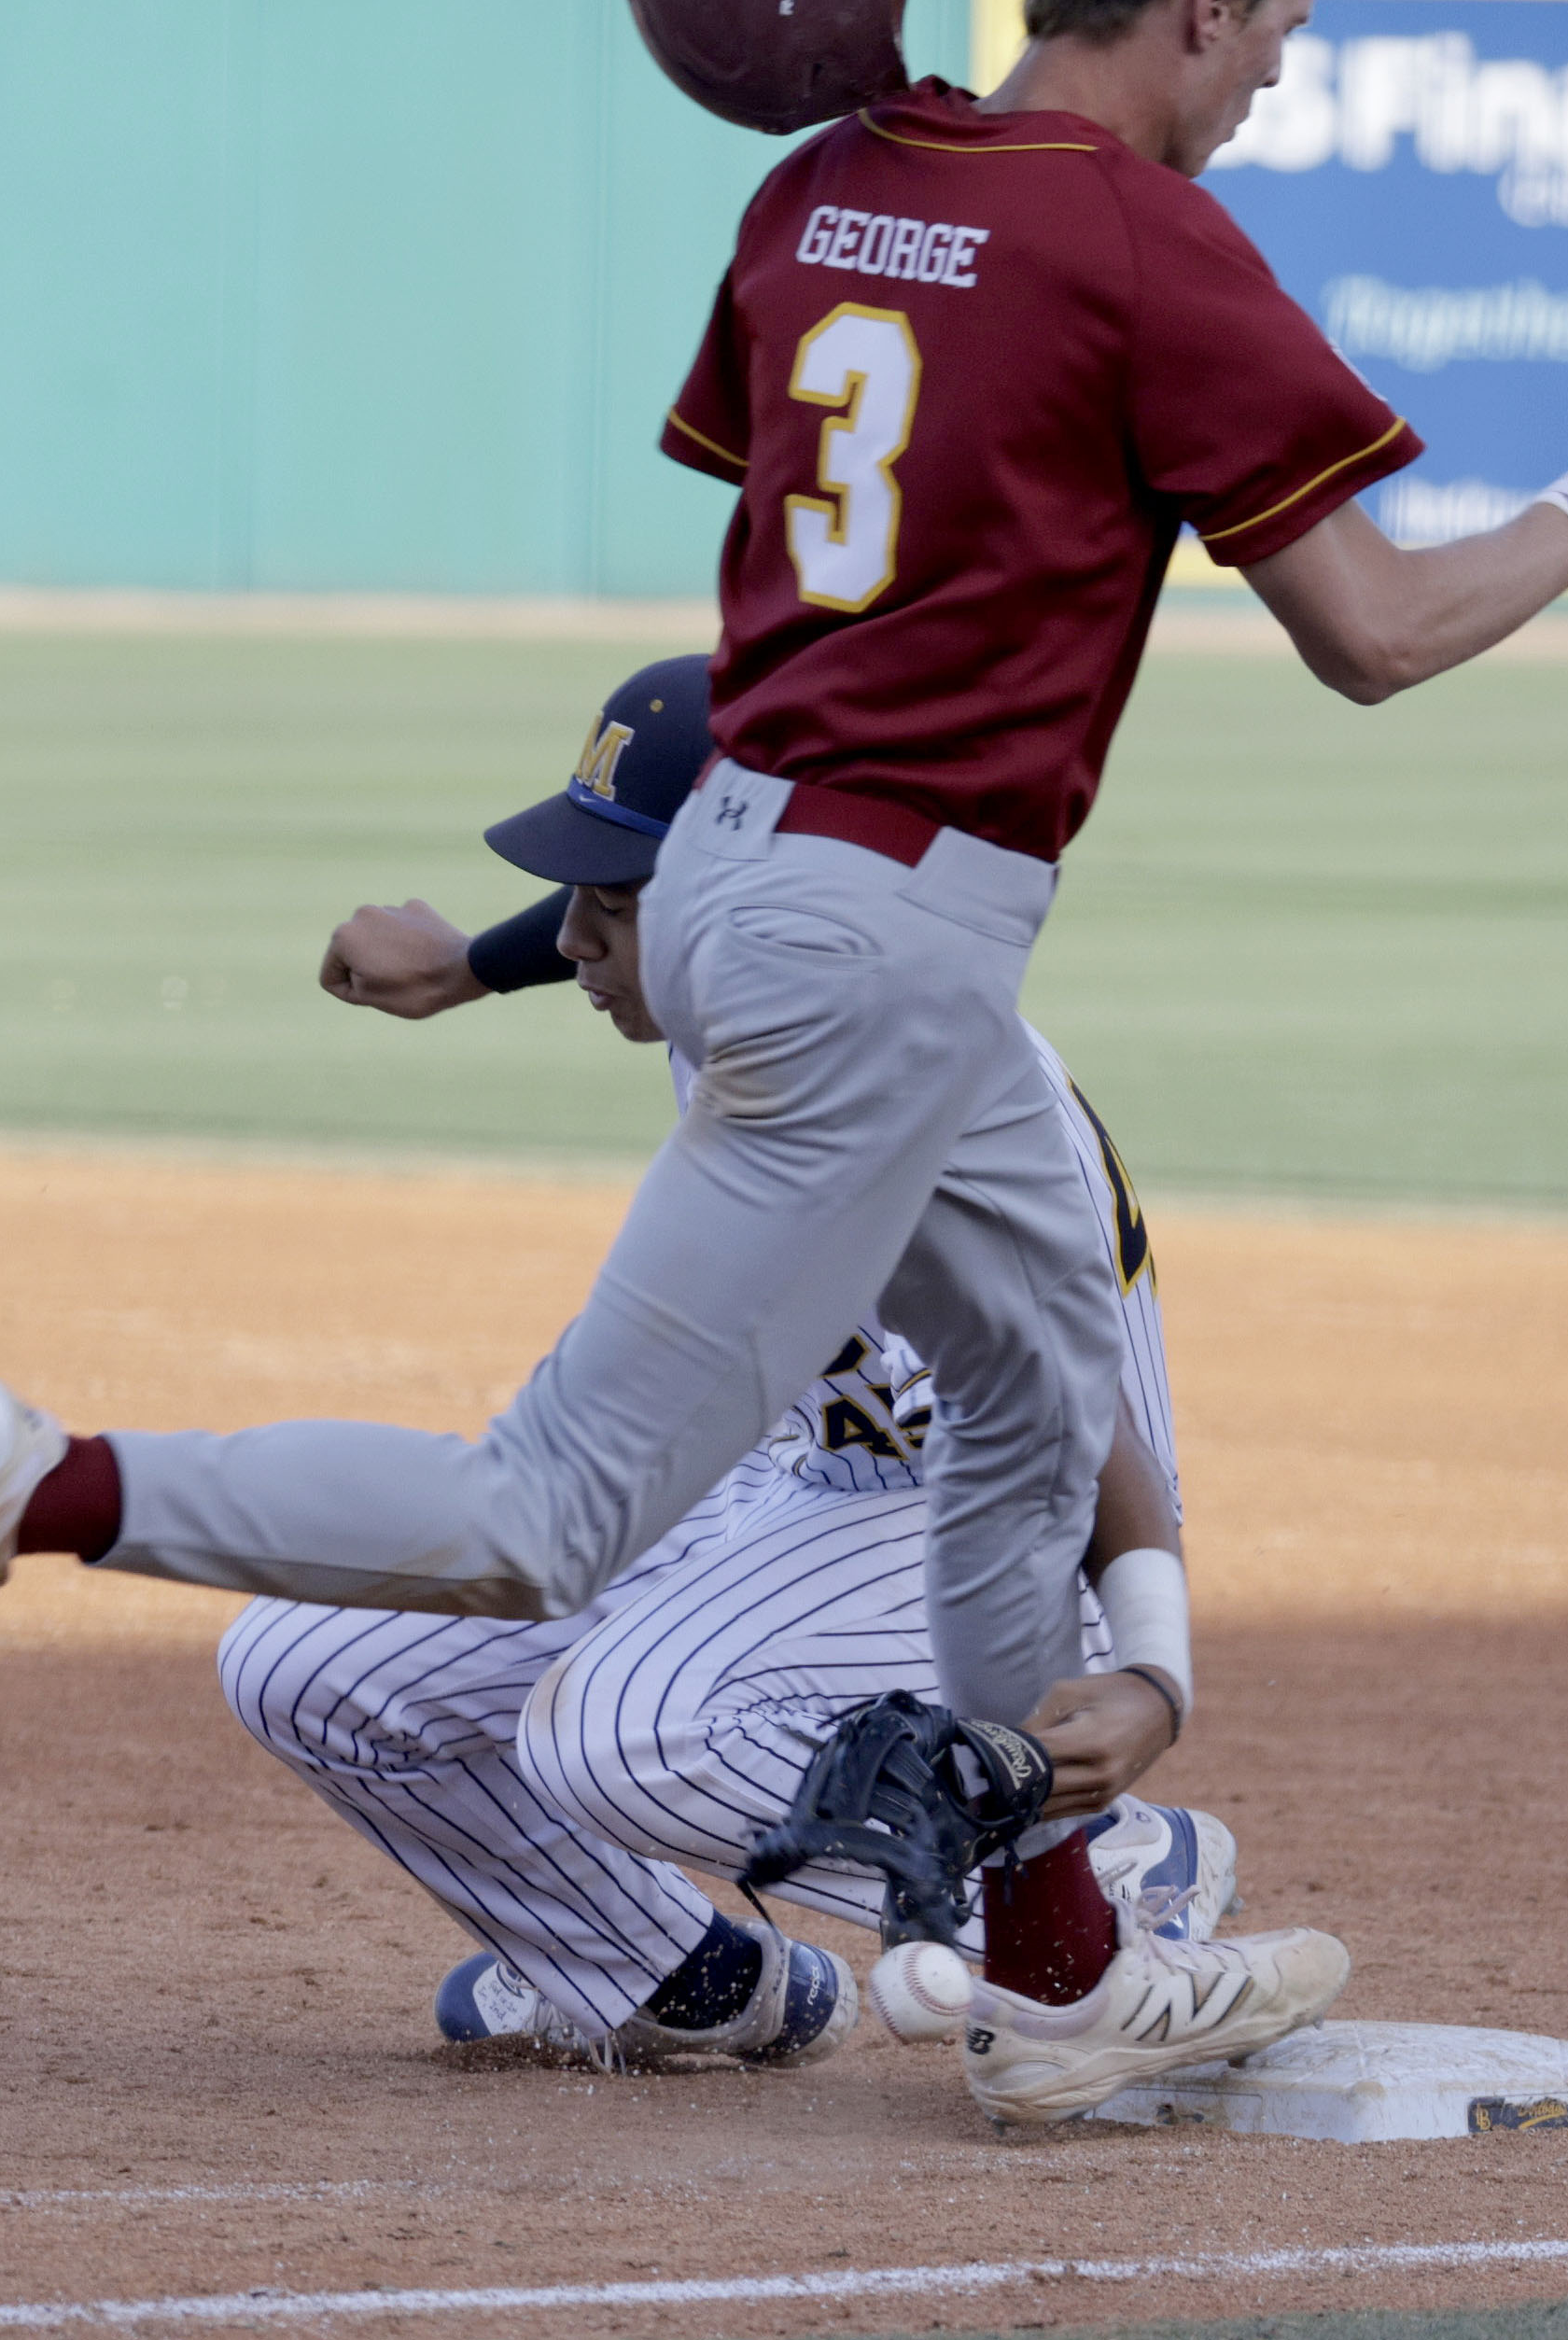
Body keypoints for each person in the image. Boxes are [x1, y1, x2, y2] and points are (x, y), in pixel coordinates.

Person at [0, 0, 1568, 2123]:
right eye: (1282, 33)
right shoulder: (1146, 241)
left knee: (1027, 1379)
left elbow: (826, 540)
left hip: (753, 876)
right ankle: (32, 1475)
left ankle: (1060, 1962)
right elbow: (1376, 632)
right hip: (885, 934)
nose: (1270, 88)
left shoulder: (823, 192)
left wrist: (497, 952)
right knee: (540, 1522)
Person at [223, 651, 1246, 2082]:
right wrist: (468, 966)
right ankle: (677, 1980)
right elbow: (637, 899)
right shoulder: (765, 969)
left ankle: (1108, 1867)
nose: (579, 937)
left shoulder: (892, 1060)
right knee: (309, 1662)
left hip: (1005, 1519)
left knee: (630, 1730)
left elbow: (1062, 1415)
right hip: (808, 1468)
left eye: (613, 903)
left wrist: (1147, 1675)